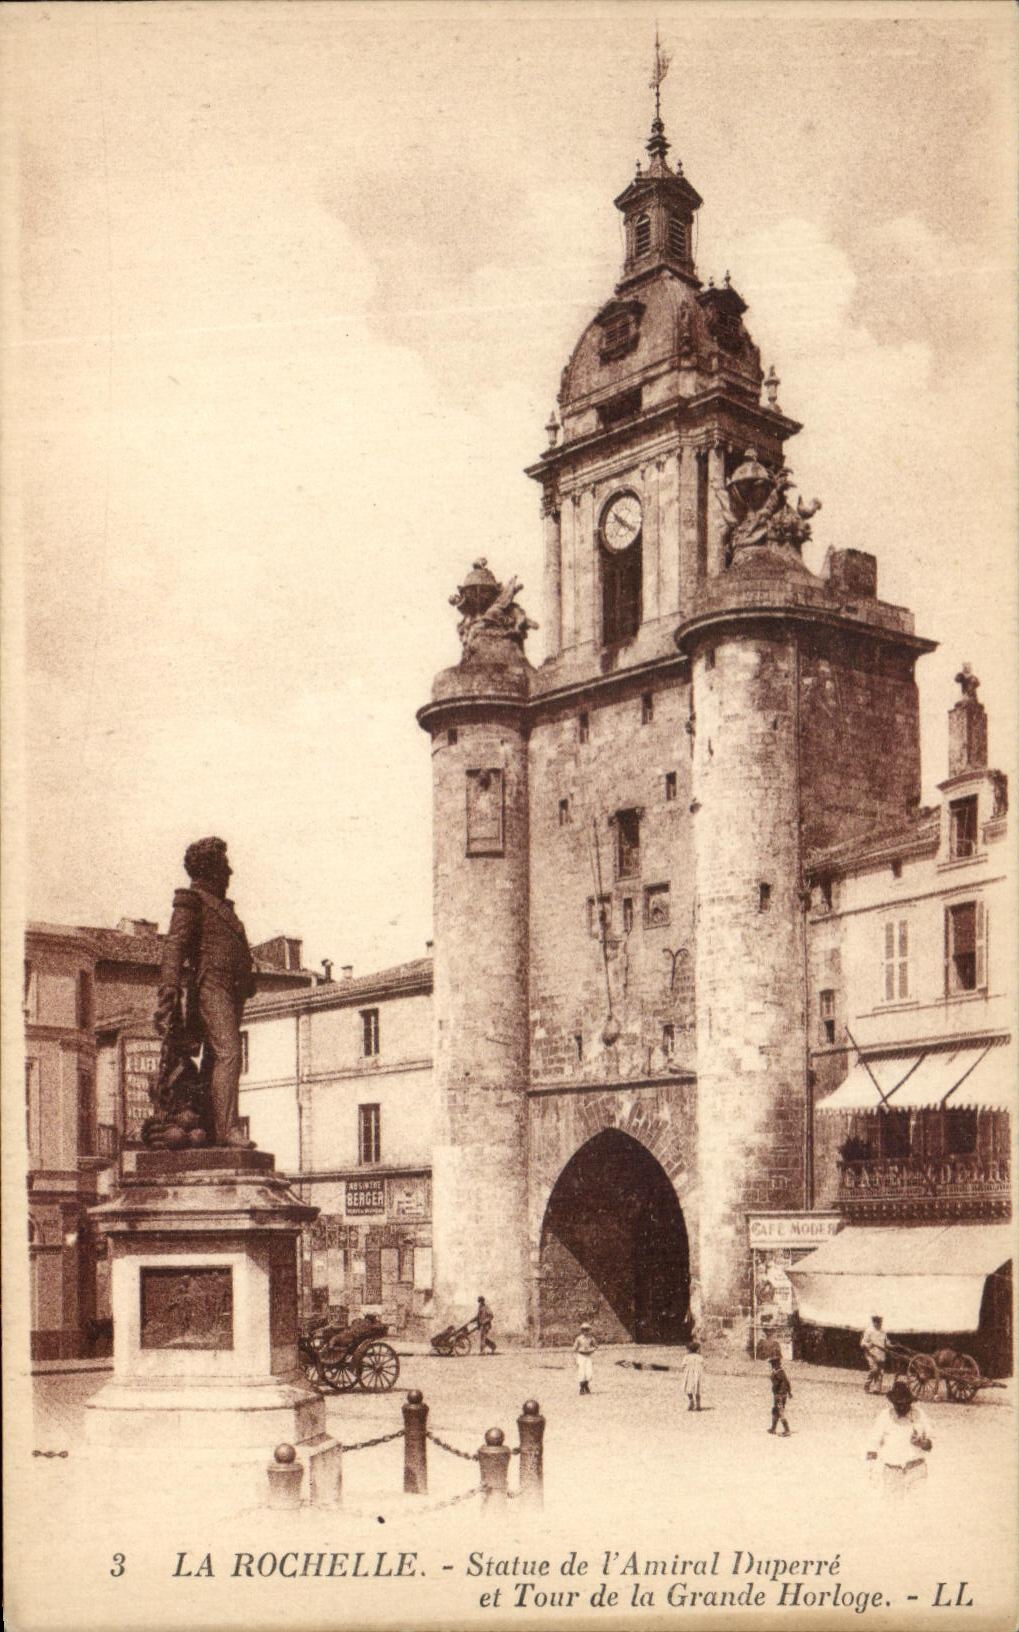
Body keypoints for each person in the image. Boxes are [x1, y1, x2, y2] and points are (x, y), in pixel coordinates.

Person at [155, 836, 257, 1147]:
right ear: (211, 869)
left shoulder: (222, 908)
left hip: (231, 989)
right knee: (229, 1052)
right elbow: (174, 947)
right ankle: (228, 1130)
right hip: (210, 986)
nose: (230, 872)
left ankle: (215, 1130)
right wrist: (169, 989)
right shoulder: (192, 901)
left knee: (216, 1059)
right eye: (225, 865)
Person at [866, 1379, 933, 1498]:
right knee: (893, 1511)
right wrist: (871, 1470)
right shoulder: (885, 1416)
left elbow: (930, 1444)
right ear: (892, 1402)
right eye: (897, 1404)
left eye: (904, 1403)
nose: (901, 1407)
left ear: (910, 1402)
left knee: (917, 1510)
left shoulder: (920, 1415)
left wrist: (922, 1443)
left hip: (916, 1470)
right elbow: (872, 1444)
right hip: (892, 1472)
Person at [861, 1315, 888, 1394]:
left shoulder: (883, 1331)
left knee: (881, 1372)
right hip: (871, 1354)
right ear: (874, 1322)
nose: (880, 1323)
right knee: (874, 1369)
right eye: (878, 1322)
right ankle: (866, 1386)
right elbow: (862, 1343)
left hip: (881, 1354)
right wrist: (868, 1345)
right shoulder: (869, 1331)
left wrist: (892, 1345)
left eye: (881, 1322)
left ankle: (877, 1389)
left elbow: (886, 1342)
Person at [767, 1354, 792, 1435]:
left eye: (773, 1364)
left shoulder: (777, 1373)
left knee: (780, 1411)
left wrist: (772, 1377)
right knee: (775, 1411)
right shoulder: (782, 1372)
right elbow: (787, 1382)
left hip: (779, 1395)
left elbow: (776, 1384)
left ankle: (787, 1430)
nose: (772, 1366)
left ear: (776, 1364)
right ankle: (773, 1429)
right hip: (782, 1394)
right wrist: (789, 1392)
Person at [573, 1321, 597, 1395]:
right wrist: (575, 1358)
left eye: (587, 1329)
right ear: (581, 1330)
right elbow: (574, 1349)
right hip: (581, 1356)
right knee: (581, 1373)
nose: (585, 1331)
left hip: (588, 1356)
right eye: (584, 1329)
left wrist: (592, 1350)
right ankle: (581, 1388)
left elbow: (596, 1346)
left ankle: (586, 1386)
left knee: (589, 1373)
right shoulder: (579, 1339)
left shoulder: (591, 1338)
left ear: (589, 1330)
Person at [680, 1341, 704, 1411]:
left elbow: (683, 1365)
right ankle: (698, 1404)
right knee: (697, 1389)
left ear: (689, 1349)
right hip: (697, 1375)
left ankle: (691, 1401)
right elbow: (702, 1364)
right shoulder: (699, 1357)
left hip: (689, 1375)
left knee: (688, 1389)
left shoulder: (686, 1357)